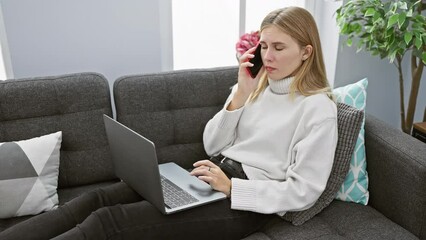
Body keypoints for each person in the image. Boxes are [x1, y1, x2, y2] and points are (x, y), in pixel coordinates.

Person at [2, 6, 338, 240]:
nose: (268, 56)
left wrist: (233, 188)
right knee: (96, 200)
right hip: (212, 176)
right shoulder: (256, 85)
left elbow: (304, 192)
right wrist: (240, 96)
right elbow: (213, 144)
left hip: (246, 202)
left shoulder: (317, 109)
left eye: (279, 47)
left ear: (307, 52)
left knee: (110, 222)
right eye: (264, 46)